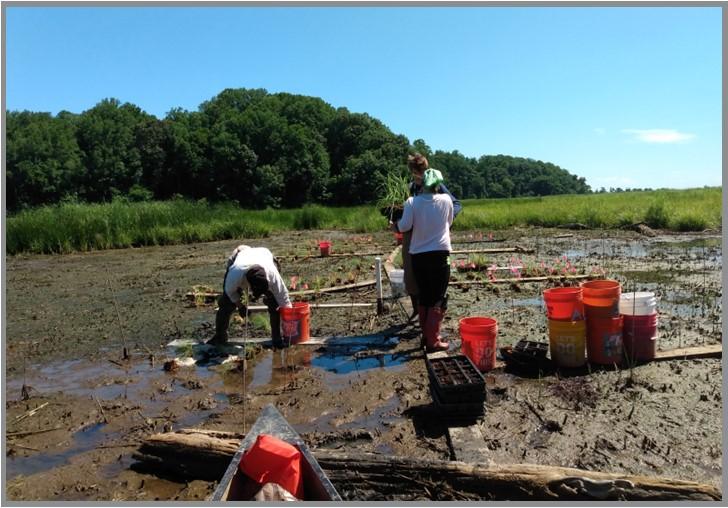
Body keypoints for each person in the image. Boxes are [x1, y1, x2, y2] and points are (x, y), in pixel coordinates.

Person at [393, 168, 454, 352]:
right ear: (438, 185)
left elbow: (404, 227)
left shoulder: (412, 202)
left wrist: (393, 225)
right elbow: (448, 222)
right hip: (440, 255)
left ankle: (426, 336)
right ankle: (433, 340)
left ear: (422, 184)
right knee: (438, 297)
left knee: (425, 296)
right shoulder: (446, 200)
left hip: (418, 256)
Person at [402, 153, 461, 321]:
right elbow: (404, 216)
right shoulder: (409, 188)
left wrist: (443, 220)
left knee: (434, 288)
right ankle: (419, 313)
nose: (420, 173)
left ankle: (428, 327)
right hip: (414, 239)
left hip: (432, 239)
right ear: (412, 170)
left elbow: (455, 204)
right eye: (417, 170)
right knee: (412, 276)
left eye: (422, 170)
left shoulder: (437, 185)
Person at [209, 245, 292, 348]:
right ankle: (220, 337)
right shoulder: (235, 275)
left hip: (264, 254)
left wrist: (290, 326)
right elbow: (230, 292)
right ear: (249, 284)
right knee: (226, 304)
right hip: (240, 254)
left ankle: (277, 338)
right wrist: (240, 306)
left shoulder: (273, 275)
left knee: (274, 302)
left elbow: (284, 299)